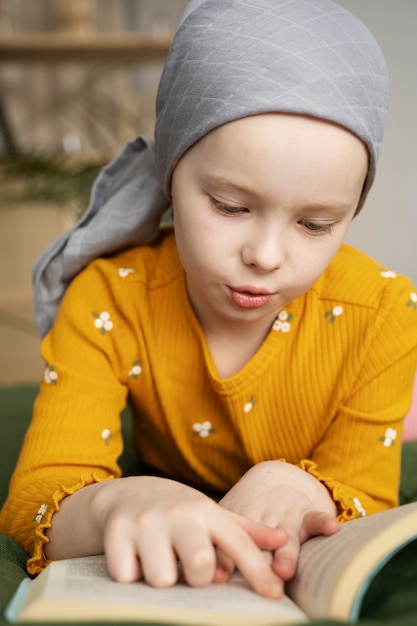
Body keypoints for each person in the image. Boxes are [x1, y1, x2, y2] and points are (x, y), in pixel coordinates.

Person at [1, 0, 417, 600]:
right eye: (229, 206)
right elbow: (37, 497)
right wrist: (120, 501)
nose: (267, 255)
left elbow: (368, 495)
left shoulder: (384, 314)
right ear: (172, 174)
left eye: (317, 224)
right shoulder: (110, 297)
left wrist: (303, 489)